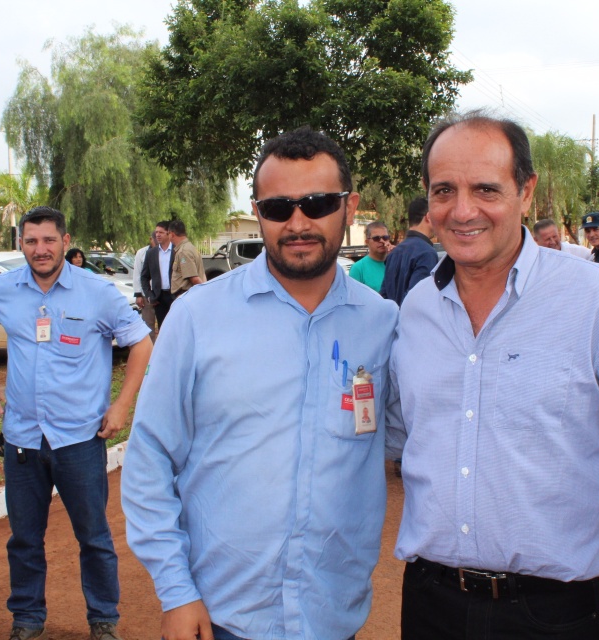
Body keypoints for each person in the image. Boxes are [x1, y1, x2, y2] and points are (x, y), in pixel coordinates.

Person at [387, 110, 599, 639]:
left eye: (485, 189)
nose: (462, 210)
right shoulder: (416, 310)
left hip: (553, 616)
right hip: (429, 606)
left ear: (526, 191)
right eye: (443, 190)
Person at [121, 127, 399, 640]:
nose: (297, 223)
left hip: (333, 614)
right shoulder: (197, 317)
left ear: (350, 206)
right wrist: (176, 591)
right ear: (258, 209)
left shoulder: (383, 323)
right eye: (277, 209)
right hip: (225, 616)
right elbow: (150, 458)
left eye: (317, 203)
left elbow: (408, 435)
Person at [0, 206, 152, 640]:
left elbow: (141, 344)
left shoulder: (97, 292)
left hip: (79, 440)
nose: (40, 249)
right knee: (24, 539)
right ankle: (27, 619)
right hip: (22, 441)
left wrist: (122, 405)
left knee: (94, 538)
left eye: (49, 240)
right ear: (21, 244)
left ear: (65, 242)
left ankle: (103, 619)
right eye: (31, 241)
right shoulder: (3, 288)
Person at [380, 197, 437, 306]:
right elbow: (418, 298)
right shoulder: (426, 253)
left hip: (393, 320)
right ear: (429, 217)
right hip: (414, 320)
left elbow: (384, 294)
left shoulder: (394, 252)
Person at [141, 221, 176, 327]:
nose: (157, 235)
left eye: (161, 232)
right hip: (159, 298)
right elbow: (144, 277)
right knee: (163, 327)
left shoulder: (177, 250)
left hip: (174, 295)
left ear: (168, 233)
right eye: (156, 232)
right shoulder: (151, 253)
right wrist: (149, 295)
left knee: (176, 326)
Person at [348, 220, 391, 292]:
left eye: (385, 237)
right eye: (376, 238)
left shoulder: (395, 264)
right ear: (367, 242)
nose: (382, 241)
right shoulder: (358, 269)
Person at [167, 220, 204, 298]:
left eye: (168, 233)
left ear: (172, 234)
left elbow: (194, 279)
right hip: (188, 294)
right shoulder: (191, 247)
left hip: (185, 295)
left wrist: (205, 293)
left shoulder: (183, 252)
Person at [133, 232, 158, 339]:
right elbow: (137, 274)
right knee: (148, 325)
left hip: (161, 293)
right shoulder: (141, 253)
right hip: (146, 293)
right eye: (155, 239)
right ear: (150, 239)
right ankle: (150, 351)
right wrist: (138, 294)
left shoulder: (164, 252)